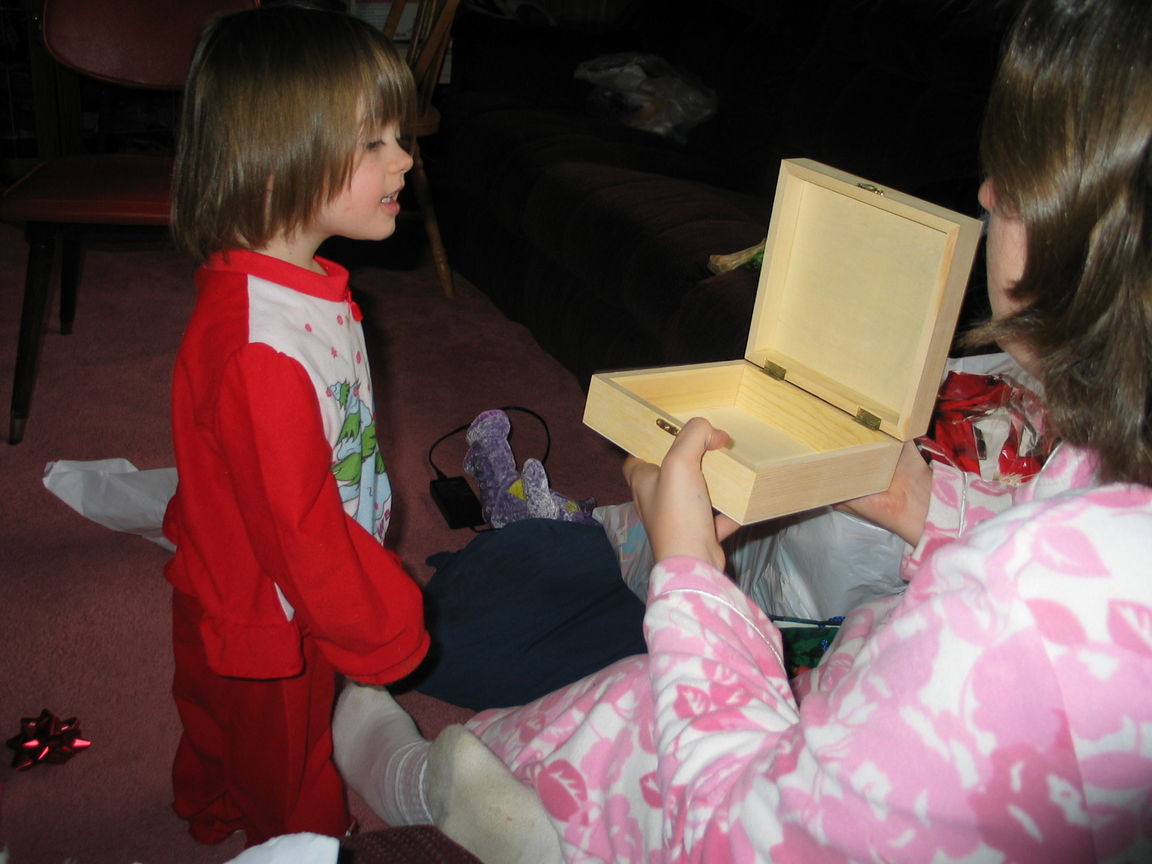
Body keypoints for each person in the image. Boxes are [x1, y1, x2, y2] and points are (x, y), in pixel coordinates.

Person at [335, 0, 1152, 859]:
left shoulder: (1011, 606)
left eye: (1021, 179)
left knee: (622, 705)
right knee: (523, 622)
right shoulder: (1099, 484)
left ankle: (432, 784)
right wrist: (924, 508)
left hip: (769, 777)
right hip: (853, 700)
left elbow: (743, 834)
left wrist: (690, 572)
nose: (986, 192)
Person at [162, 4, 430, 847]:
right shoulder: (263, 350)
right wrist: (378, 627)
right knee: (289, 763)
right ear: (276, 161)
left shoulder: (295, 284)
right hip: (275, 608)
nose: (404, 157)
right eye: (373, 141)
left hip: (242, 571)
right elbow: (299, 530)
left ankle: (208, 799)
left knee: (221, 718)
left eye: (399, 135)